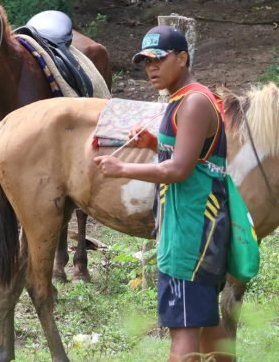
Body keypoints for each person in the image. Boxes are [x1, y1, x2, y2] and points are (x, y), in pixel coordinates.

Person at [94, 25, 232, 362]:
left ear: (182, 58)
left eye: (159, 58)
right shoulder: (182, 99)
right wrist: (154, 143)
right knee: (204, 319)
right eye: (145, 61)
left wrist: (122, 168)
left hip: (190, 231)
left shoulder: (195, 103)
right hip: (196, 227)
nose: (151, 67)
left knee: (183, 329)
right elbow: (193, 156)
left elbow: (179, 170)